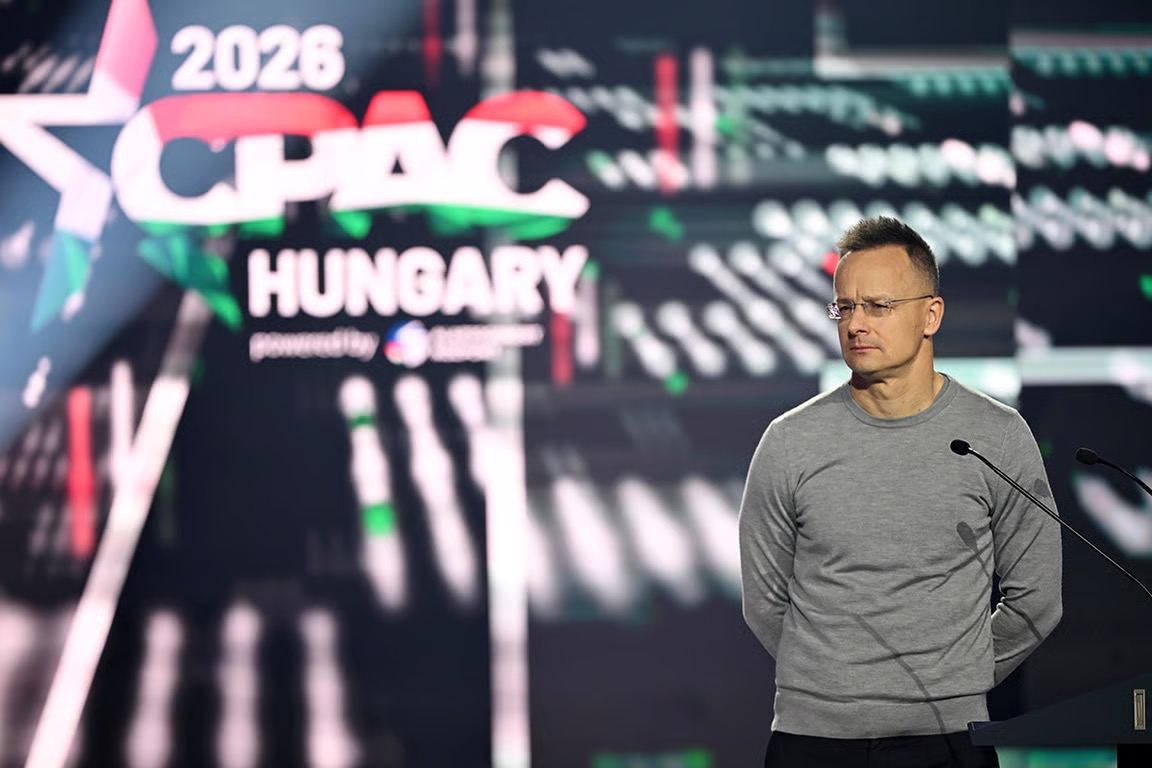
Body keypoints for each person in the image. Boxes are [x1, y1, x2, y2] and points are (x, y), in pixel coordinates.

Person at [738, 216, 1063, 767]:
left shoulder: (996, 437)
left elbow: (1037, 599)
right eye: (845, 307)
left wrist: (955, 677)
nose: (856, 324)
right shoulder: (789, 441)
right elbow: (764, 599)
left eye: (879, 306)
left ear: (930, 314)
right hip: (812, 740)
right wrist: (831, 683)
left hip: (947, 739)